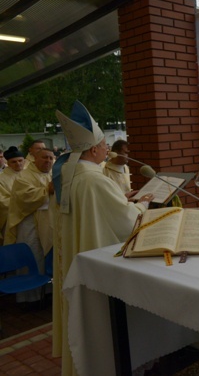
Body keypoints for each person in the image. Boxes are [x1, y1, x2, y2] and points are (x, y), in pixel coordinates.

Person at [52, 101, 154, 376]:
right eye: (104, 145)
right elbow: (126, 220)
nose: (107, 149)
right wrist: (141, 204)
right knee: (101, 321)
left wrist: (120, 198)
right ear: (94, 149)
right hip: (96, 258)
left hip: (79, 252)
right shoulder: (94, 179)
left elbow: (94, 208)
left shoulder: (71, 173)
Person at [3, 149, 55, 303]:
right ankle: (30, 297)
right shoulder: (23, 177)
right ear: (34, 159)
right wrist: (47, 190)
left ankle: (47, 292)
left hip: (48, 221)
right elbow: (25, 197)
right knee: (34, 255)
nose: (48, 161)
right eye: (44, 158)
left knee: (48, 255)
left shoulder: (52, 174)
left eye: (51, 158)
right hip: (29, 222)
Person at [0, 147, 25, 244]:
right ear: (8, 163)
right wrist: (23, 202)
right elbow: (2, 201)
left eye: (20, 161)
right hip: (11, 218)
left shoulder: (30, 175)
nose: (18, 164)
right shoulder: (1, 179)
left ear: (24, 161)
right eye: (14, 162)